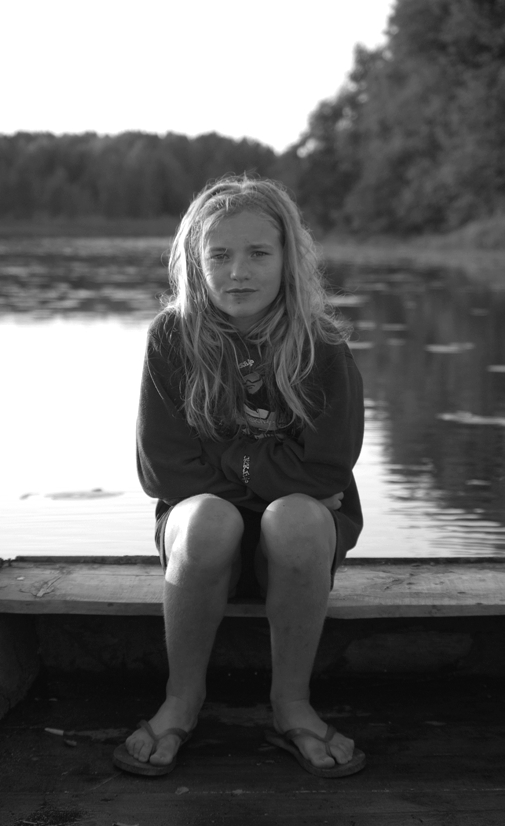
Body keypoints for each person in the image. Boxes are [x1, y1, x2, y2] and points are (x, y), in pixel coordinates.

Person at [112, 176, 365, 778]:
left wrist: (225, 459)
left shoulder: (323, 345)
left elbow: (327, 468)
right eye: (220, 255)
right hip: (202, 549)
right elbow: (162, 470)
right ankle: (182, 698)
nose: (238, 272)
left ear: (287, 258)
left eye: (258, 253)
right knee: (208, 517)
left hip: (299, 547)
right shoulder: (171, 338)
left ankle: (292, 704)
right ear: (196, 263)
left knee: (295, 518)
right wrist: (266, 471)